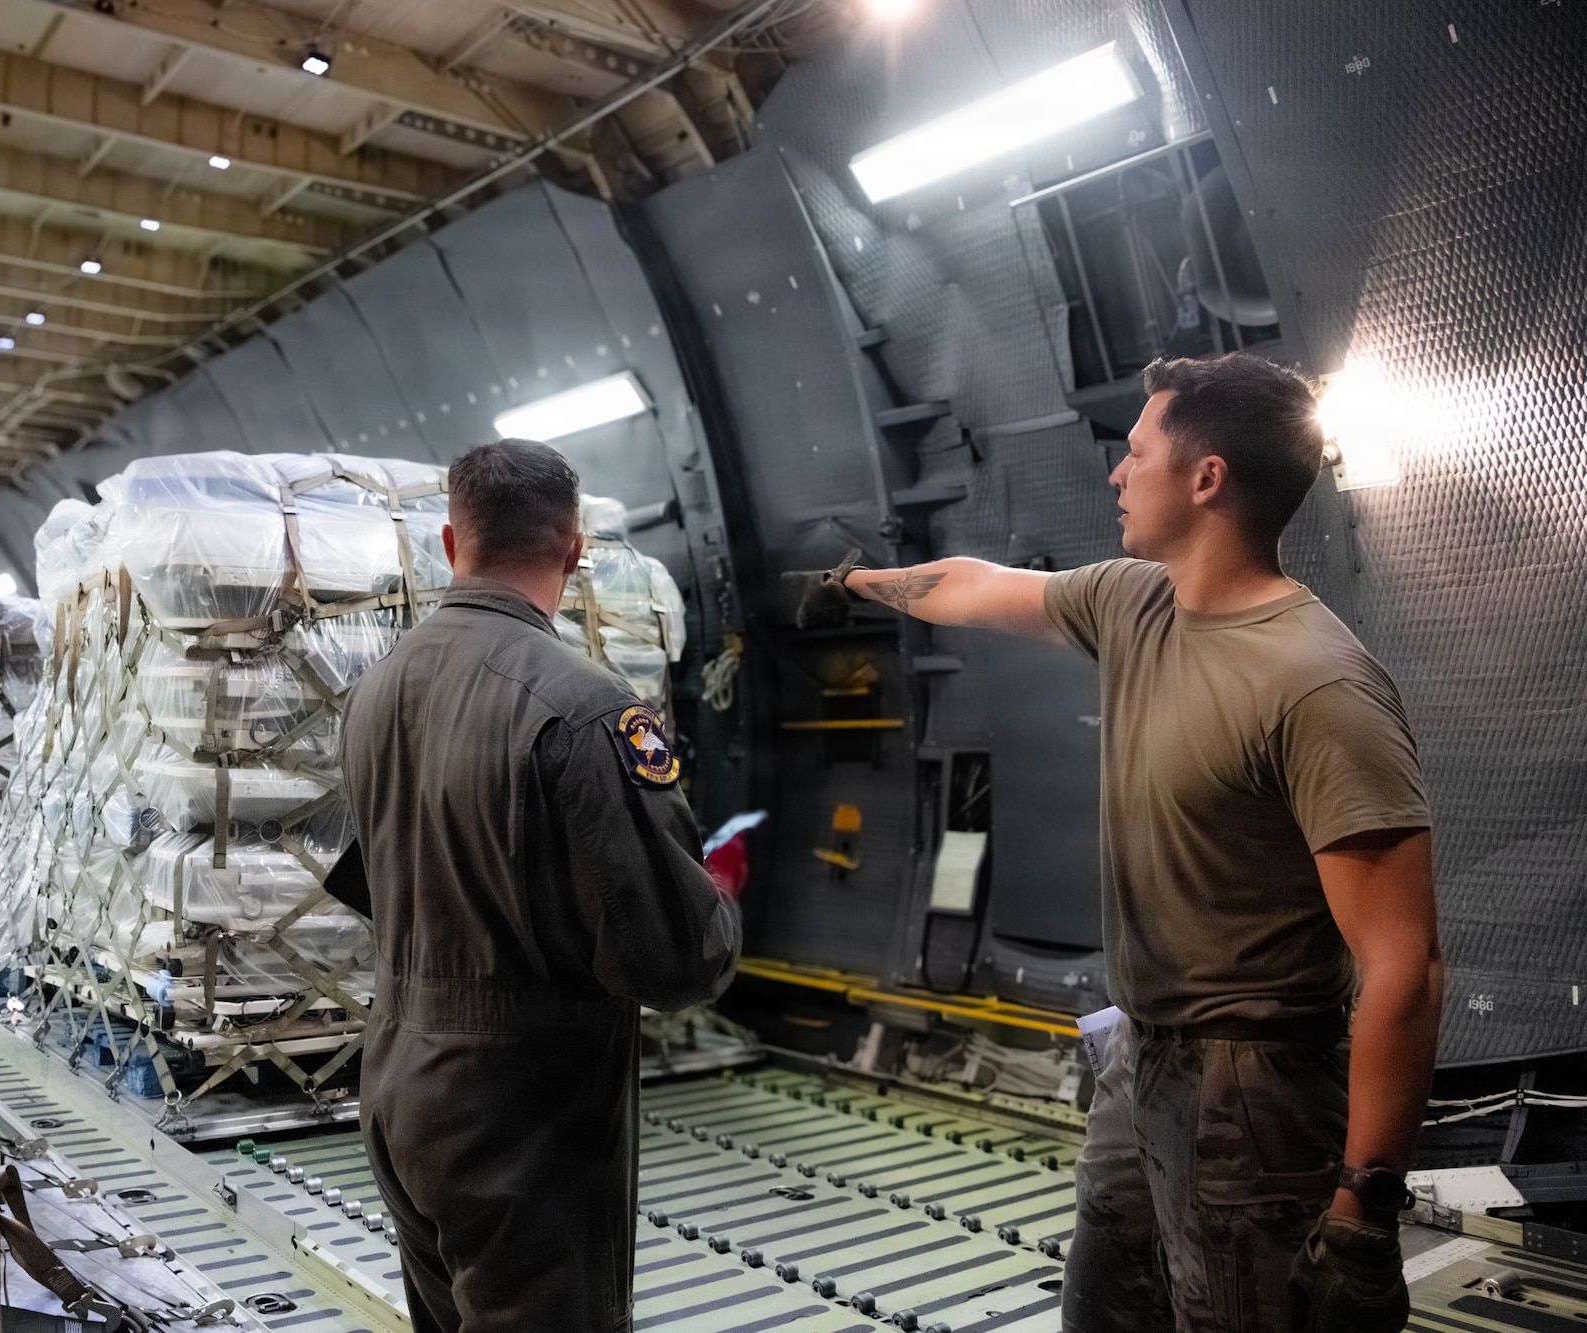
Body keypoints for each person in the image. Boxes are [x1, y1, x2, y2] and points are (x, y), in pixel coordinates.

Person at [835, 353, 1442, 1333]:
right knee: (1104, 1313)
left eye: (1137, 454)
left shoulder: (1316, 685)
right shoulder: (1132, 603)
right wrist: (859, 581)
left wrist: (1363, 1207)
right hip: (1141, 1058)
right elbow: (980, 586)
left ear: (1205, 479)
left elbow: (1401, 966)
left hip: (1254, 1091)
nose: (1116, 474)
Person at [329, 439, 740, 1333]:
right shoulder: (587, 706)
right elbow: (672, 958)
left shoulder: (373, 692)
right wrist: (719, 903)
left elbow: (379, 876)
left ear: (450, 542)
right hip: (523, 1116)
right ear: (575, 548)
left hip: (398, 1083)